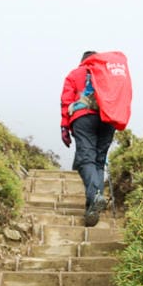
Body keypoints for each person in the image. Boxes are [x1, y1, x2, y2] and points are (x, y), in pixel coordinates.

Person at [60, 50, 116, 226]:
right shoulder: (108, 74)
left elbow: (66, 100)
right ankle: (92, 204)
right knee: (98, 161)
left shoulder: (75, 74)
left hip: (83, 117)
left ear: (82, 61)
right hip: (108, 119)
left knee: (86, 160)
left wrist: (64, 126)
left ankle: (95, 197)